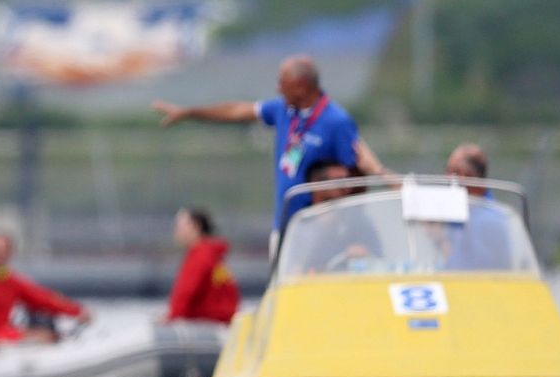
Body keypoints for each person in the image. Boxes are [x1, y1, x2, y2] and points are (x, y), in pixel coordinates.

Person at [151, 55, 387, 253]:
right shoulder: (284, 109)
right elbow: (237, 110)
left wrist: (345, 225)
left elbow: (357, 177)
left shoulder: (336, 121)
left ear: (301, 85)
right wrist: (190, 112)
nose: (278, 88)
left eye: (282, 83)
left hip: (319, 228)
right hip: (285, 225)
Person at [0, 231, 91, 355]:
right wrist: (10, 338)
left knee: (46, 334)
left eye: (5, 250)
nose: (1, 254)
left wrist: (76, 311)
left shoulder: (5, 278)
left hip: (2, 340)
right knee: (40, 337)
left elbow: (40, 297)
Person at [285, 160, 381, 273]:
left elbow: (379, 260)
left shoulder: (358, 221)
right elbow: (293, 270)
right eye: (339, 181)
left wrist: (365, 254)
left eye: (347, 181)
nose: (347, 188)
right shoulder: (301, 225)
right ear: (317, 184)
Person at [441, 144, 513, 271]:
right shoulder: (459, 208)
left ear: (472, 175)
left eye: (455, 172)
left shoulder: (492, 217)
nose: (449, 178)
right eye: (448, 171)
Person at [164, 208, 240, 324]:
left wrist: (172, 317)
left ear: (195, 226)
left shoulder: (201, 255)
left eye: (179, 225)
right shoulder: (213, 255)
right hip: (225, 321)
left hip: (209, 322)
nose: (176, 230)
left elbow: (186, 291)